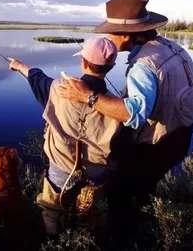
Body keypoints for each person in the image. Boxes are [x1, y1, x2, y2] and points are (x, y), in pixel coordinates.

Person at [57, 0, 193, 237]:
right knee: (145, 189)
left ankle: (123, 238)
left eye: (111, 31)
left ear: (127, 35)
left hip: (155, 147)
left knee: (119, 195)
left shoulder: (143, 65)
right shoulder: (171, 48)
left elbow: (134, 116)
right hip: (180, 140)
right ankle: (144, 225)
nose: (108, 36)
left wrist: (88, 97)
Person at [8, 37, 123, 237]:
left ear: (84, 63)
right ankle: (86, 242)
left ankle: (54, 241)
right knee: (90, 216)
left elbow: (36, 77)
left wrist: (19, 65)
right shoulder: (118, 107)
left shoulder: (58, 88)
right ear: (111, 66)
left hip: (60, 170)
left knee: (51, 212)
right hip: (96, 175)